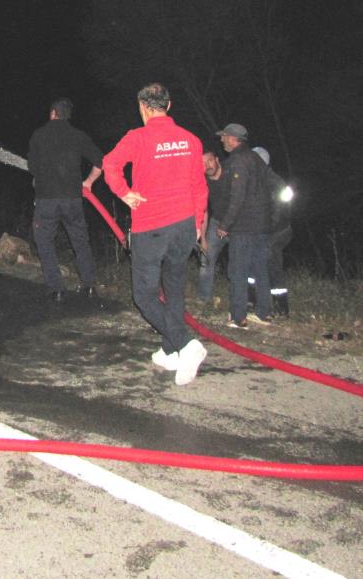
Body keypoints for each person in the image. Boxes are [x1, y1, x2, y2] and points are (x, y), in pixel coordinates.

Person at [103, 83, 209, 386]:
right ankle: (170, 350)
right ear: (168, 105)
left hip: (152, 227)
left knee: (145, 295)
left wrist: (124, 193)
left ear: (143, 107)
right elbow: (199, 187)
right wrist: (198, 223)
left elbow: (110, 164)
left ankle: (187, 345)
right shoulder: (191, 140)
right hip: (184, 225)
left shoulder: (137, 137)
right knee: (173, 287)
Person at [27, 97, 104, 302]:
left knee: (43, 240)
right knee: (80, 240)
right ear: (68, 115)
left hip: (46, 200)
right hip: (72, 200)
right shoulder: (78, 136)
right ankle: (89, 286)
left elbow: (32, 168)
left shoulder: (39, 135)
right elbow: (100, 162)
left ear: (53, 113)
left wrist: (39, 178)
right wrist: (88, 182)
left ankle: (57, 288)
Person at [216, 123, 274, 328]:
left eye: (224, 136)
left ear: (233, 138)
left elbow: (237, 196)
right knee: (260, 269)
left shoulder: (238, 160)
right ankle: (264, 313)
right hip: (262, 225)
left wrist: (225, 224)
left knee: (238, 270)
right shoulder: (256, 159)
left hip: (245, 226)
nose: (221, 140)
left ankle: (238, 316)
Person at [252, 146, 293, 317]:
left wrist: (264, 232)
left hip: (276, 233)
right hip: (271, 231)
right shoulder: (259, 180)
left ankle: (280, 308)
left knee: (271, 266)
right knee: (257, 265)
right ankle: (254, 301)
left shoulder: (272, 182)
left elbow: (278, 212)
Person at [197, 147, 231, 303]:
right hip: (216, 224)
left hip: (237, 226)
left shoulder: (232, 175)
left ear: (217, 160)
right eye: (203, 163)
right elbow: (203, 210)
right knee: (206, 259)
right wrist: (203, 238)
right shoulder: (202, 184)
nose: (207, 166)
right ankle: (205, 298)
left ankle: (245, 299)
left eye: (209, 160)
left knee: (239, 264)